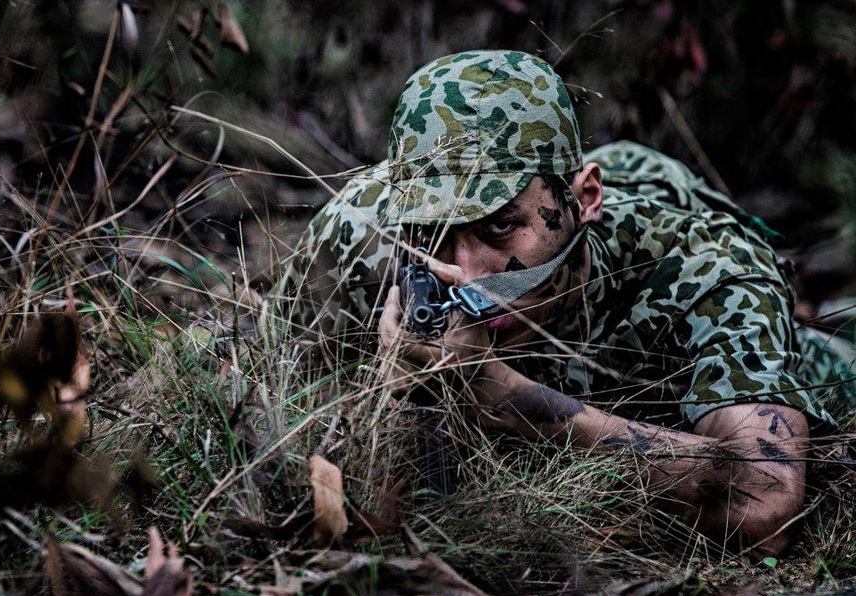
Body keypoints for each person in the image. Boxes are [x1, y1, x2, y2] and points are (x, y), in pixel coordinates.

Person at [275, 50, 855, 555]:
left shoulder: (703, 267)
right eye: (433, 227)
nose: (461, 271)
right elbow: (262, 384)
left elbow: (766, 504)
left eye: (500, 227)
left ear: (585, 199)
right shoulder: (360, 234)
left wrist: (506, 398)